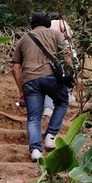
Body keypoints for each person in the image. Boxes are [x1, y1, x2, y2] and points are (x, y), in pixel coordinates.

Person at [12, 12, 73, 161]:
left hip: (30, 80)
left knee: (33, 117)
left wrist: (21, 89)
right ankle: (50, 136)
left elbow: (15, 68)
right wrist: (68, 72)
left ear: (32, 24)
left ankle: (35, 151)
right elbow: (67, 54)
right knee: (62, 102)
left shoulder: (23, 39)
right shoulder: (55, 34)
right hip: (51, 78)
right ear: (48, 23)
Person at [43, 12, 76, 117]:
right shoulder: (62, 23)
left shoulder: (46, 26)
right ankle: (68, 94)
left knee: (51, 78)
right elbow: (69, 36)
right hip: (64, 53)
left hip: (51, 54)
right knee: (67, 75)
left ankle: (48, 108)